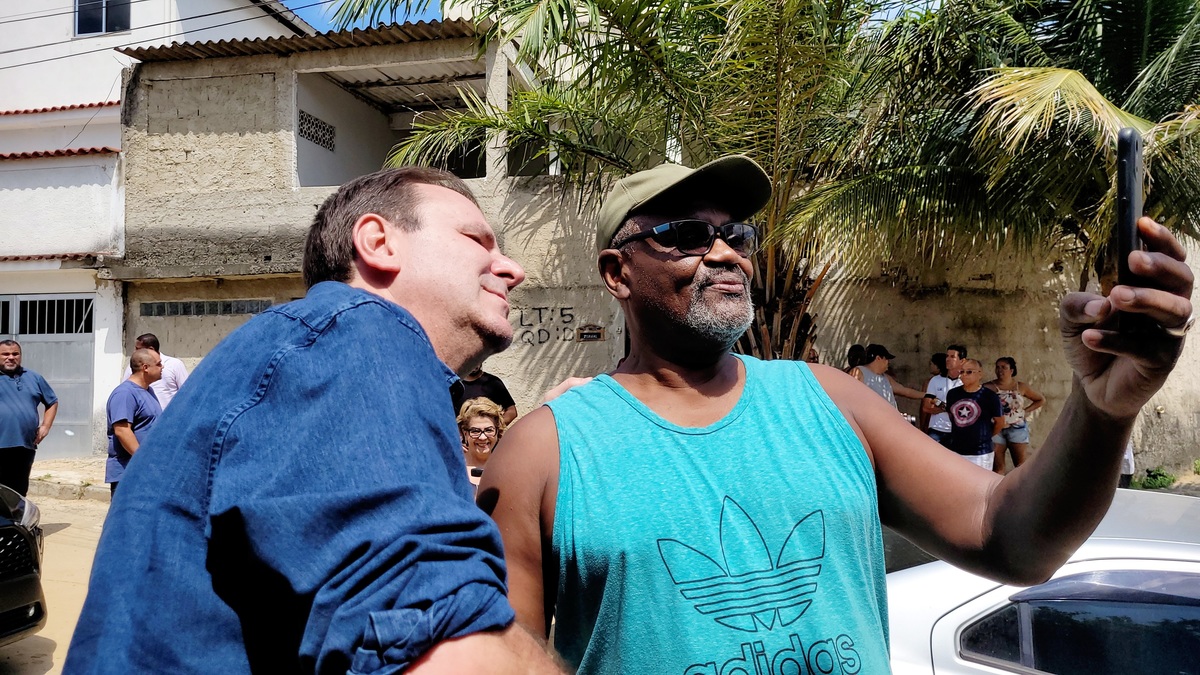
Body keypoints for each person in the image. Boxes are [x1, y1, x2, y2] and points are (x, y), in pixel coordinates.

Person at [476, 155, 1195, 675]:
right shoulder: (544, 451)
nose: (724, 252)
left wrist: (1103, 410)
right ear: (617, 272)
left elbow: (1013, 539)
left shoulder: (830, 400)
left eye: (736, 235)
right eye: (687, 234)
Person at [67, 168, 566, 674]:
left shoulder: (311, 350)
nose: (512, 269)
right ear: (379, 243)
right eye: (477, 240)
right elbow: (443, 645)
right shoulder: (361, 332)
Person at [0, 340, 57, 496]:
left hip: (24, 445)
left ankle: (15, 512)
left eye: (15, 354)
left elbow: (52, 401)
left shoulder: (34, 377)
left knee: (18, 490)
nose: (11, 357)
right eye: (5, 354)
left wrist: (46, 426)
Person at [105, 349, 163, 495]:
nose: (162, 367)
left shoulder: (148, 391)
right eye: (158, 364)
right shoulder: (125, 394)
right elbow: (122, 430)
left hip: (147, 471)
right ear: (145, 367)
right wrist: (143, 460)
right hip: (129, 473)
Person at [985, 356, 1045, 475]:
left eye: (1004, 367)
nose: (1000, 370)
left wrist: (1025, 411)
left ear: (1011, 370)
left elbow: (1040, 400)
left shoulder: (1021, 387)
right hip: (996, 429)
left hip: (1017, 429)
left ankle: (1023, 487)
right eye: (997, 367)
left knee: (1021, 466)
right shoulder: (988, 387)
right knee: (998, 468)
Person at [946, 359, 1005, 469]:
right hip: (956, 451)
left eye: (969, 372)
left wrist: (986, 436)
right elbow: (952, 416)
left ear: (980, 374)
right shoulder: (952, 394)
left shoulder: (990, 397)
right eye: (961, 371)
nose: (964, 375)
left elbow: (1000, 422)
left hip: (981, 454)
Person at [122, 333, 189, 408]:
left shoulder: (175, 364)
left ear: (151, 349)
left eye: (138, 349)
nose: (135, 352)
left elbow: (187, 392)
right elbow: (125, 391)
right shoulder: (133, 367)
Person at [850, 343, 925, 409]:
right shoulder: (858, 372)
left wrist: (926, 395)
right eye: (886, 359)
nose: (888, 362)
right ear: (878, 358)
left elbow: (906, 391)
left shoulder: (886, 378)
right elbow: (850, 395)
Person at [457, 397, 507, 484]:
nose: (482, 437)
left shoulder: (507, 468)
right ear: (465, 433)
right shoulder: (453, 467)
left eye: (489, 430)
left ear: (498, 431)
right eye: (475, 431)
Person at [922, 346, 964, 448]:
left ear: (962, 361)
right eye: (947, 356)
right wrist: (947, 408)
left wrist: (940, 404)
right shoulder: (935, 380)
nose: (948, 359)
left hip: (959, 431)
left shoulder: (965, 381)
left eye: (952, 357)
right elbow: (926, 407)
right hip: (937, 430)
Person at [452, 364, 518, 426]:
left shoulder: (492, 382)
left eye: (477, 359)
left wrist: (495, 428)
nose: (474, 363)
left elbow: (512, 411)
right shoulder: (453, 383)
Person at [918, 353, 946, 432]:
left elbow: (925, 406)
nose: (930, 366)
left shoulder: (930, 382)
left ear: (937, 366)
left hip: (934, 424)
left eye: (931, 364)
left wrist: (922, 425)